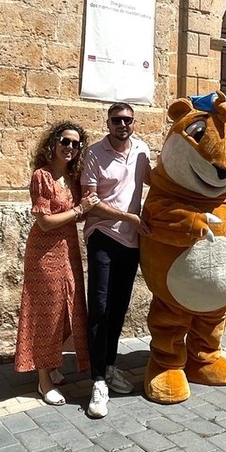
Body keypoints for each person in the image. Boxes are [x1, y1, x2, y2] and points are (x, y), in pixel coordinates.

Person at [15, 122, 100, 405]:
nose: (70, 148)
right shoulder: (42, 176)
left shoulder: (73, 179)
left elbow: (81, 212)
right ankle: (43, 380)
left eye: (76, 144)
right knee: (48, 313)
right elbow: (45, 221)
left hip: (68, 249)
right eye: (65, 141)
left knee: (70, 310)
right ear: (53, 142)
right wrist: (79, 210)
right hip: (44, 252)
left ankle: (50, 363)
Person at [81, 102, 152, 418]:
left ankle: (109, 366)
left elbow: (156, 182)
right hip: (103, 236)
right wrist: (129, 217)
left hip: (131, 241)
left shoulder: (141, 150)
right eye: (116, 120)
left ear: (134, 122)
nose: (122, 124)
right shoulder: (94, 154)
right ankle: (97, 382)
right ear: (108, 123)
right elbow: (90, 202)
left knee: (119, 306)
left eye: (127, 120)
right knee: (99, 306)